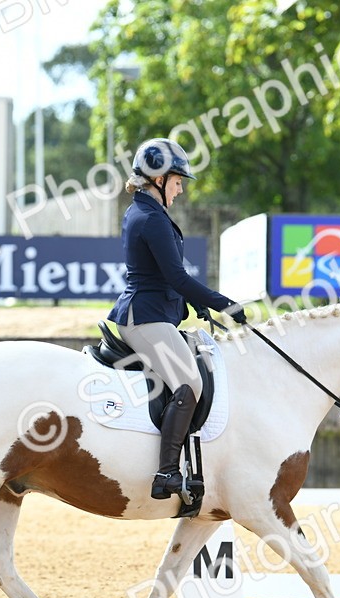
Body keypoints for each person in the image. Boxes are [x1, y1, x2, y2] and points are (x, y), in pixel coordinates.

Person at [108, 138, 246, 502]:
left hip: (157, 312)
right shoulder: (150, 218)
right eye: (177, 180)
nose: (181, 188)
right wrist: (223, 304)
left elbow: (165, 276)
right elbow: (176, 277)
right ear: (158, 179)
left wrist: (195, 305)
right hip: (145, 317)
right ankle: (166, 472)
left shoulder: (149, 212)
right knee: (189, 383)